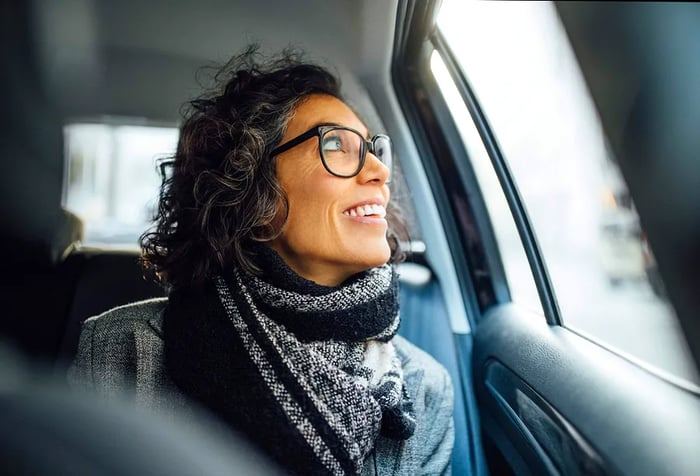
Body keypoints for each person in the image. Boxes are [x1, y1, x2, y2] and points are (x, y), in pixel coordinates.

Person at [69, 47, 454, 475]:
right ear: (253, 193)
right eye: (336, 146)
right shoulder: (122, 350)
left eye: (373, 149)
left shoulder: (425, 387)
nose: (379, 172)